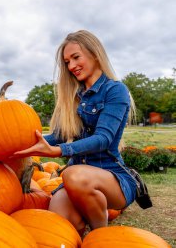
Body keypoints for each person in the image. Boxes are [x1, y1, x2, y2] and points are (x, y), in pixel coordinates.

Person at [12, 30, 137, 234]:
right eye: (67, 62)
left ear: (95, 53)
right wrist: (23, 141)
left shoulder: (115, 90)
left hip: (111, 177)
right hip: (76, 178)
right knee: (60, 222)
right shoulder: (74, 97)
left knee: (73, 174)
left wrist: (60, 151)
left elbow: (103, 139)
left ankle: (99, 234)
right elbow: (57, 136)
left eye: (76, 57)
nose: (71, 66)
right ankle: (84, 224)